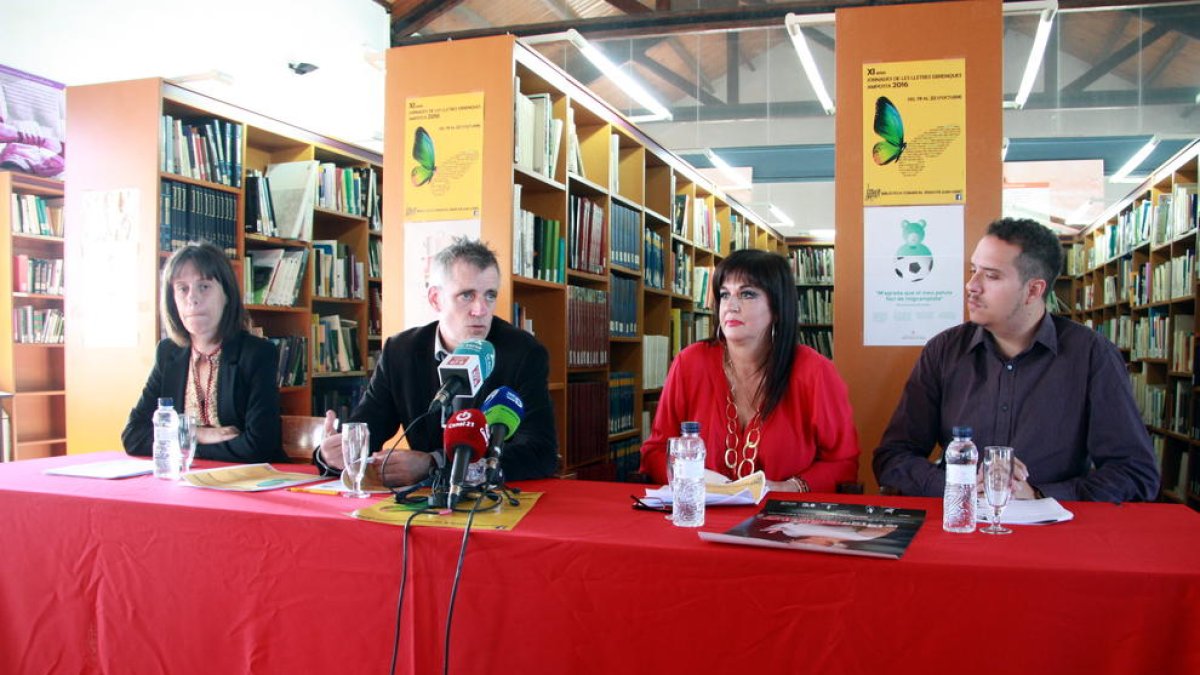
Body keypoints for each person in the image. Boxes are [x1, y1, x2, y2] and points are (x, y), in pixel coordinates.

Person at [873, 217, 1160, 502]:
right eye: (973, 271)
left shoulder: (1092, 355)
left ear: (1033, 290)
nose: (971, 285)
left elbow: (1135, 473)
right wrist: (961, 486)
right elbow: (893, 457)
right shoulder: (944, 351)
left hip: (1053, 524)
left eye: (991, 276)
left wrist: (1038, 495)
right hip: (961, 518)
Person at [315, 237, 558, 486]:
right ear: (435, 299)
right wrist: (331, 454)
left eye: (490, 295)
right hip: (422, 500)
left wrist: (434, 464)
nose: (481, 310)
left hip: (496, 498)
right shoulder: (400, 351)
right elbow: (367, 431)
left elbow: (540, 452)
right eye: (467, 295)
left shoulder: (523, 353)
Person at [640, 249, 860, 492]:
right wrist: (693, 477)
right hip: (702, 509)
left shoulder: (815, 372)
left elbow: (843, 463)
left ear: (777, 308)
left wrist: (789, 487)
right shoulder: (689, 364)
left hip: (781, 511)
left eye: (747, 294)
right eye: (725, 294)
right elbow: (656, 451)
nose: (731, 306)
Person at [122, 242, 284, 462]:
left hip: (250, 478)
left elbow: (258, 445)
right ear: (172, 300)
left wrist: (181, 447)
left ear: (227, 295)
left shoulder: (257, 354)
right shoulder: (168, 353)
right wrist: (196, 434)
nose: (192, 298)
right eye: (183, 289)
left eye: (204, 286)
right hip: (188, 477)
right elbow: (133, 436)